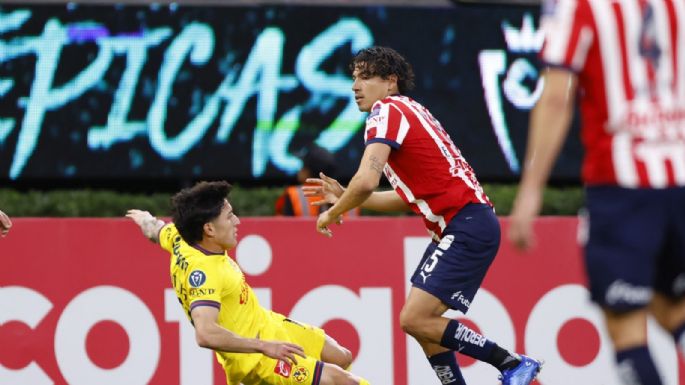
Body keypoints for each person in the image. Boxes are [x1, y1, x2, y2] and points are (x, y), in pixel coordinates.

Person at [305, 46, 541, 385]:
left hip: (465, 224)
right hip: (463, 225)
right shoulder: (408, 111)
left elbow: (367, 178)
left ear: (390, 82)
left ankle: (511, 363)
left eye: (365, 77)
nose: (355, 86)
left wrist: (334, 211)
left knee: (413, 318)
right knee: (423, 327)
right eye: (354, 78)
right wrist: (349, 197)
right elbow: (406, 198)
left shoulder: (386, 110)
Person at [509, 1, 685, 384]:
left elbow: (557, 97)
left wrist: (531, 189)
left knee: (626, 329)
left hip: (622, 188)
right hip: (680, 179)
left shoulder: (579, 7)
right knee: (673, 311)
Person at [127, 181, 371, 385]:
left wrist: (143, 218)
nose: (237, 222)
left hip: (269, 325)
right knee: (342, 381)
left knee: (341, 357)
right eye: (230, 216)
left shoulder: (181, 238)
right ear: (209, 228)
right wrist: (264, 347)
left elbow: (156, 230)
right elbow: (205, 333)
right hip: (257, 360)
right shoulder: (202, 272)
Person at [275, 144, 339, 217]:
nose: (300, 170)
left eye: (303, 165)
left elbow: (284, 226)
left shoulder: (295, 195)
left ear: (307, 171)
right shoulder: (347, 195)